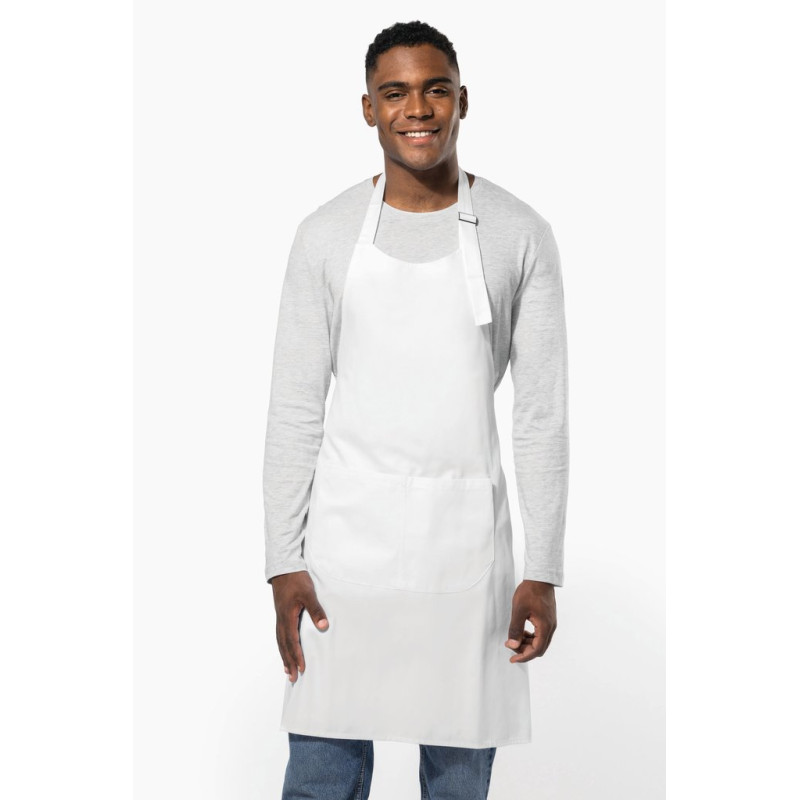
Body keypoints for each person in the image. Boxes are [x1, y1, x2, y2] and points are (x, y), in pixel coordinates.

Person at [262, 20, 570, 800]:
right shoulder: (325, 235)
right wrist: (282, 560)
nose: (418, 109)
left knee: (459, 784)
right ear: (368, 108)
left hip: (465, 559)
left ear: (463, 99)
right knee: (321, 778)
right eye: (394, 92)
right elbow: (295, 407)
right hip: (343, 562)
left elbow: (540, 415)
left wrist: (542, 569)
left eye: (436, 89)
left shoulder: (520, 235)